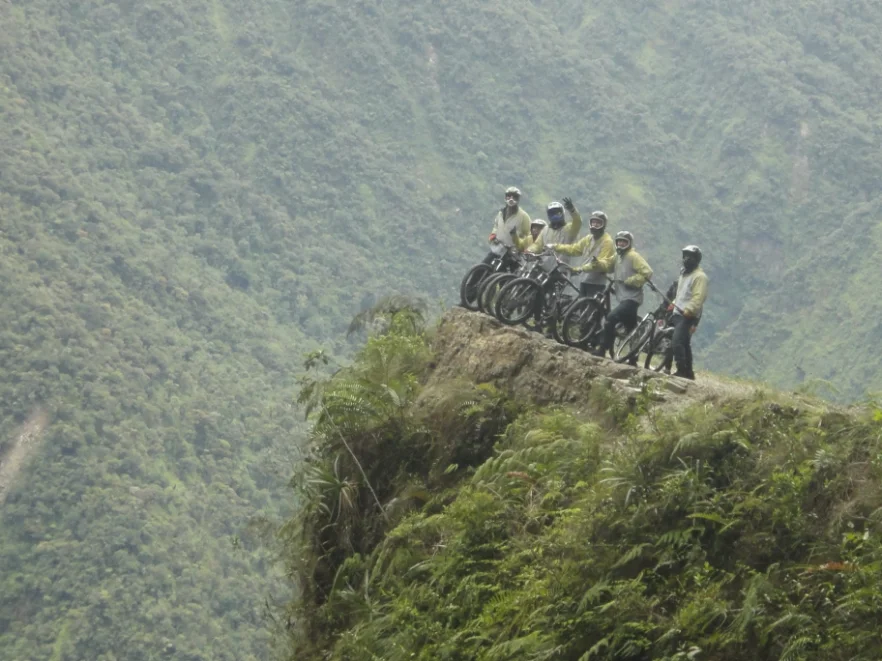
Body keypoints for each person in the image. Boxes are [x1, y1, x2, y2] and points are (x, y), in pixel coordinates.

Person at [593, 231, 653, 358]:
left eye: (624, 242)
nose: (621, 244)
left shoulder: (633, 256)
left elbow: (647, 272)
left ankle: (602, 349)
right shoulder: (618, 256)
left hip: (632, 299)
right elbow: (609, 265)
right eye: (619, 241)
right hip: (623, 298)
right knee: (631, 329)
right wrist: (598, 263)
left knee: (610, 318)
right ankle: (633, 357)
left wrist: (630, 281)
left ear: (629, 243)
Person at [547, 211, 614, 297]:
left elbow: (600, 264)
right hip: (584, 279)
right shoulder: (588, 238)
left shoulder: (607, 242)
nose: (595, 225)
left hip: (596, 283)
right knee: (581, 306)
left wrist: (580, 269)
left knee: (590, 308)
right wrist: (555, 246)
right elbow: (574, 249)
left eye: (598, 222)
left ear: (603, 225)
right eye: (593, 222)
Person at [669, 245, 708, 380]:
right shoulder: (684, 274)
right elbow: (682, 293)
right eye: (685, 256)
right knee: (685, 343)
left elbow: (698, 297)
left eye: (690, 257)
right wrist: (673, 303)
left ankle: (681, 370)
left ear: (696, 259)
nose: (686, 259)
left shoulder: (700, 277)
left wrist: (689, 310)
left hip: (687, 315)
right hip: (678, 311)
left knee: (677, 341)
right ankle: (689, 373)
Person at [485, 187, 531, 263]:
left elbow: (528, 235)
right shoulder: (501, 213)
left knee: (504, 273)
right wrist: (493, 235)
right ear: (505, 197)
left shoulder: (524, 216)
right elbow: (496, 226)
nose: (511, 199)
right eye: (509, 196)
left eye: (514, 197)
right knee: (483, 265)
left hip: (511, 254)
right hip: (498, 247)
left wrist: (520, 246)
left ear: (518, 199)